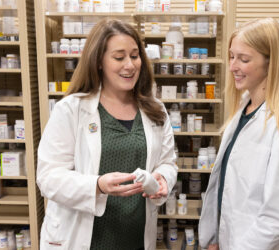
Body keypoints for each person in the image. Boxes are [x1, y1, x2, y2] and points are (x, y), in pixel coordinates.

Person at [37, 19, 177, 250]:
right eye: (119, 57)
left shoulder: (155, 110)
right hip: (84, 238)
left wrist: (163, 178)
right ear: (99, 61)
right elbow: (48, 177)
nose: (130, 65)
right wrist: (97, 185)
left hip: (135, 237)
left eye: (134, 55)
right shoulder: (72, 109)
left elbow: (167, 163)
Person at [199, 18, 279, 250]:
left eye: (243, 59)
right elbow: (225, 186)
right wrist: (215, 238)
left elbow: (276, 218)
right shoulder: (244, 107)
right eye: (232, 56)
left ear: (271, 63)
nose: (232, 66)